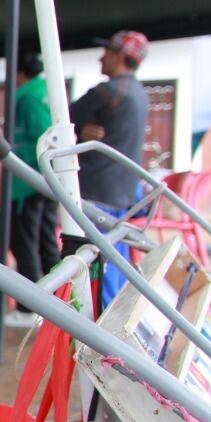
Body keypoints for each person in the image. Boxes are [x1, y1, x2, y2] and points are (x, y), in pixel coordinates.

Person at [71, 30, 151, 307]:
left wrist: (80, 132)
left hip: (97, 192)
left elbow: (60, 120)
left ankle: (97, 331)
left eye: (106, 51)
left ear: (119, 55)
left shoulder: (107, 92)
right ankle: (115, 323)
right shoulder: (140, 94)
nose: (100, 58)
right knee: (115, 264)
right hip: (125, 194)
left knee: (94, 263)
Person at [6, 51, 57, 327]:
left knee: (24, 243)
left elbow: (41, 135)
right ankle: (57, 303)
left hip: (27, 183)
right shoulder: (44, 90)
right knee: (46, 241)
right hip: (48, 181)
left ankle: (30, 309)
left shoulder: (26, 95)